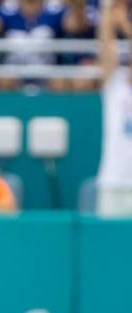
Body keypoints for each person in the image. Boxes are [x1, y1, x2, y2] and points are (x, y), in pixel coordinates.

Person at [96, 0, 132, 216]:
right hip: (113, 183)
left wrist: (126, 27)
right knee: (106, 248)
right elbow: (105, 46)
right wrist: (109, 10)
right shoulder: (115, 88)